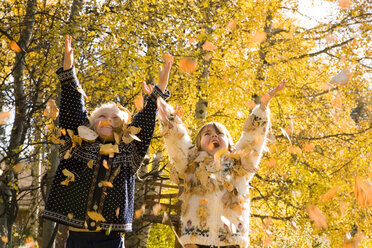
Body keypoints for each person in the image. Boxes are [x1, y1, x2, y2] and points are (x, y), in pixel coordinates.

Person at [42, 35, 173, 248]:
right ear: (91, 124)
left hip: (111, 239)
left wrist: (160, 88)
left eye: (115, 118)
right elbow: (73, 107)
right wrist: (69, 71)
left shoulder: (130, 150)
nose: (108, 121)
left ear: (125, 126)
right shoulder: (78, 143)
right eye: (102, 116)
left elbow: (146, 119)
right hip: (76, 238)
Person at [156, 80, 286, 248]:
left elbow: (252, 139)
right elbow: (175, 137)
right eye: (207, 133)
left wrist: (263, 107)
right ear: (198, 143)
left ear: (230, 143)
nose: (214, 136)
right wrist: (162, 103)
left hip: (231, 241)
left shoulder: (239, 163)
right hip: (195, 240)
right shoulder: (190, 162)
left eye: (219, 133)